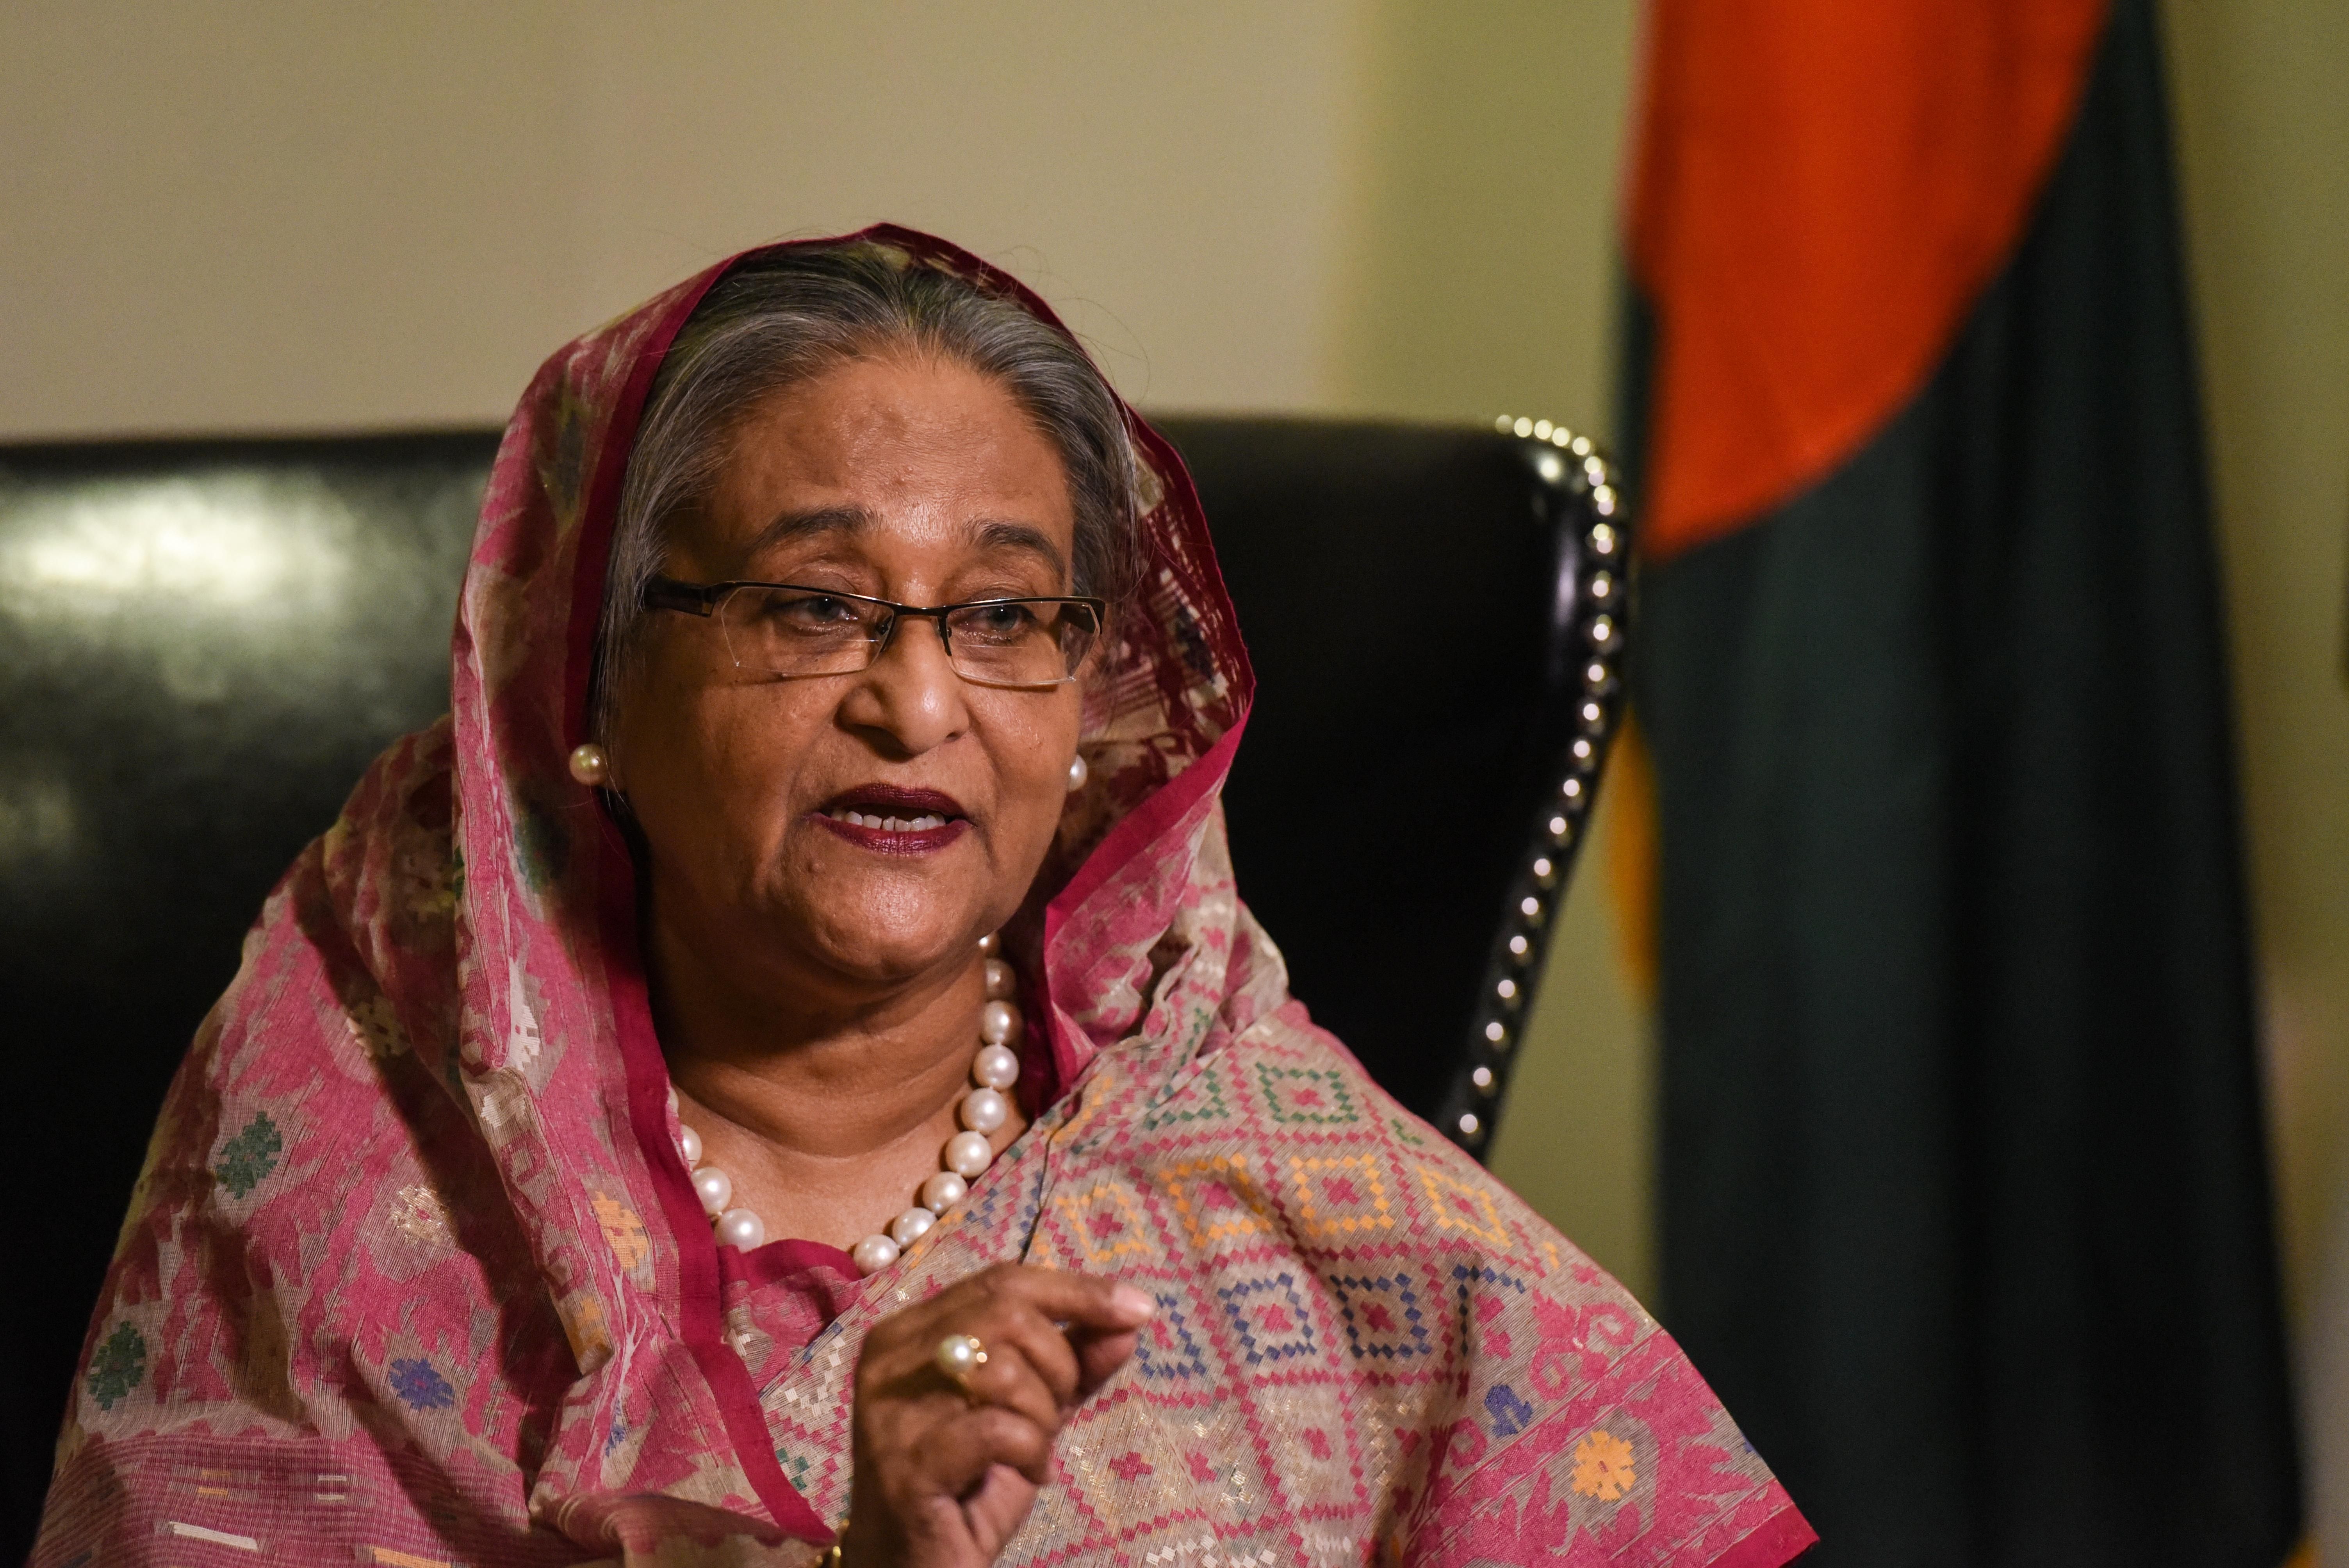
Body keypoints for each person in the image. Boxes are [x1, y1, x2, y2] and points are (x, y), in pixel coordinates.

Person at [32, 227, 1813, 1568]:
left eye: (1006, 616)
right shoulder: (351, 1138)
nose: (918, 703)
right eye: (815, 604)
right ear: (591, 687)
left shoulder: (1295, 1198)